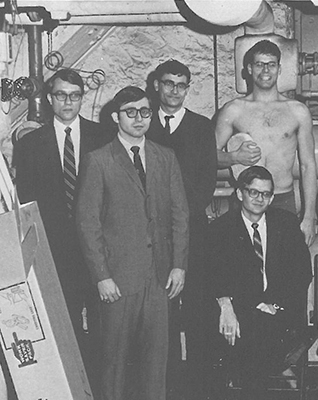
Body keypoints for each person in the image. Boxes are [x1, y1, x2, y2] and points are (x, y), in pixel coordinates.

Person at [76, 86, 189, 400]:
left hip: (160, 278)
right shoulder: (98, 161)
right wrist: (102, 276)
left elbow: (180, 214)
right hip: (118, 280)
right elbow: (88, 224)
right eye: (130, 112)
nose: (139, 119)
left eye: (145, 112)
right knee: (114, 364)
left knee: (157, 363)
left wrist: (179, 266)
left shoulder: (165, 157)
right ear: (116, 117)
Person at [13, 68, 106, 393]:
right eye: (61, 95)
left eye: (75, 95)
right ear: (51, 99)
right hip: (55, 253)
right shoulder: (31, 145)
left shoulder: (102, 137)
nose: (68, 101)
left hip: (97, 250)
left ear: (82, 97)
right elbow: (26, 203)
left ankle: (99, 390)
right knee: (61, 325)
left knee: (101, 324)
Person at [209, 165, 312, 400]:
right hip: (241, 311)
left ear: (272, 198)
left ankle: (257, 383)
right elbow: (214, 275)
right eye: (253, 192)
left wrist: (274, 304)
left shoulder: (286, 223)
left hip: (280, 311)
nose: (259, 198)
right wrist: (227, 307)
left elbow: (301, 273)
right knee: (252, 333)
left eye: (265, 194)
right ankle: (273, 375)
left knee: (257, 337)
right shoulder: (221, 229)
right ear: (240, 193)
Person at [146, 59, 217, 399]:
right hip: (155, 234)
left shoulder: (201, 127)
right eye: (169, 83)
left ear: (188, 88)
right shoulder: (144, 124)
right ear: (157, 85)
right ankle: (168, 384)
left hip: (193, 230)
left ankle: (200, 387)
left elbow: (206, 182)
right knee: (163, 312)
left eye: (181, 84)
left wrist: (182, 218)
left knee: (198, 308)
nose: (174, 90)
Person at [215, 39, 317, 246]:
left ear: (279, 69)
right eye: (259, 64)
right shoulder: (234, 110)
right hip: (245, 199)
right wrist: (234, 157)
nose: (265, 70)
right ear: (249, 69)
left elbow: (308, 166)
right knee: (242, 268)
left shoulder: (297, 111)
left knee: (283, 269)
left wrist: (309, 216)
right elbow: (208, 156)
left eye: (271, 64)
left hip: (282, 199)